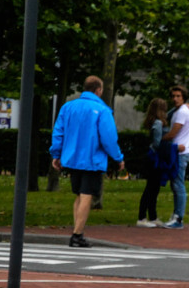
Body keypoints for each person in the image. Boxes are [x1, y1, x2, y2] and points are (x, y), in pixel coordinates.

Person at [49, 76, 125, 247]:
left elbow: (58, 131)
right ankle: (77, 234)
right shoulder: (102, 110)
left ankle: (77, 231)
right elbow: (108, 138)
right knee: (87, 195)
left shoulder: (68, 107)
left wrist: (56, 154)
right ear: (98, 90)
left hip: (71, 158)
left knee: (79, 195)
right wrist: (118, 157)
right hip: (92, 159)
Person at [136, 97, 174, 227]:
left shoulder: (154, 122)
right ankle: (142, 217)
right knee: (151, 188)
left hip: (153, 158)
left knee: (153, 188)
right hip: (156, 158)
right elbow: (157, 142)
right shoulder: (158, 123)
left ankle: (152, 216)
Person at [162, 84, 189, 229]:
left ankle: (178, 218)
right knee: (175, 184)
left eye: (178, 96)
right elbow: (167, 116)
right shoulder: (179, 110)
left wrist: (160, 139)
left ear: (183, 97)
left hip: (180, 153)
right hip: (178, 152)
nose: (175, 99)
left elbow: (173, 133)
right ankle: (176, 215)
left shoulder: (182, 113)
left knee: (178, 184)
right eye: (173, 96)